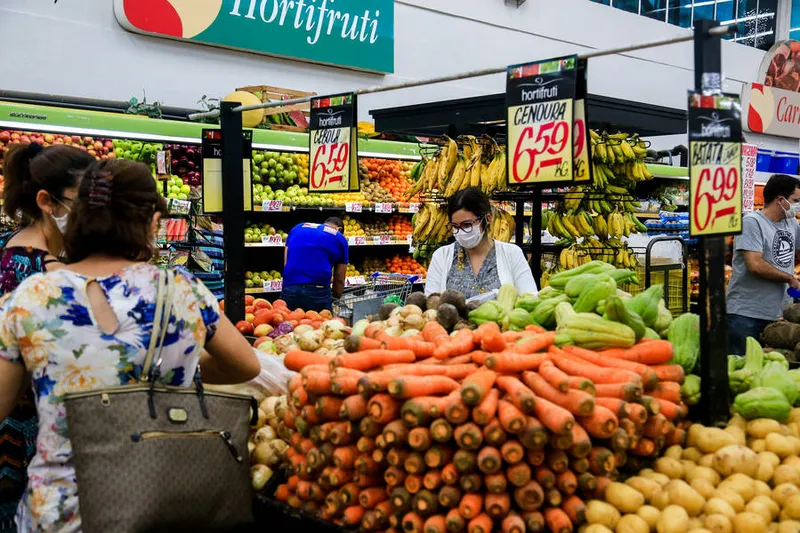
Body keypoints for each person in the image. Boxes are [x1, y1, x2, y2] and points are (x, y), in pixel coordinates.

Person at [0, 159, 260, 533]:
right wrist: (180, 366)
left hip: (63, 514)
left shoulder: (32, 297)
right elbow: (245, 366)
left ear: (76, 216)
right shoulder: (182, 291)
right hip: (165, 503)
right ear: (153, 221)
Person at [0, 142, 94, 533]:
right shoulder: (43, 271)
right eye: (84, 202)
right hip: (37, 424)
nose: (91, 214)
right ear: (47, 202)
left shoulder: (15, 248)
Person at [727, 173, 800, 356]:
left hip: (779, 315)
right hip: (747, 314)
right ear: (780, 200)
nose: (798, 205)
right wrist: (789, 278)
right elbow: (755, 264)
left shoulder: (790, 223)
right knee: (742, 368)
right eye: (796, 200)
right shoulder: (752, 223)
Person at [425, 187, 538, 299]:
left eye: (467, 224)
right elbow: (430, 304)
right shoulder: (441, 257)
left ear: (487, 218)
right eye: (455, 226)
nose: (461, 231)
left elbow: (529, 299)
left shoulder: (512, 254)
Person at [281, 217, 348, 312]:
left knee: (289, 324)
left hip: (290, 288)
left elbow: (286, 262)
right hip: (318, 291)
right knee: (320, 325)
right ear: (339, 229)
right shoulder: (339, 238)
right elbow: (339, 278)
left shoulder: (297, 228)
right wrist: (335, 297)